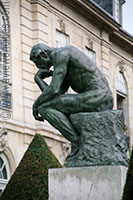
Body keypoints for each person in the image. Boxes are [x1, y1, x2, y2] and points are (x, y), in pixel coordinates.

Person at [30, 43, 113, 149]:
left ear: (43, 55)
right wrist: (39, 80)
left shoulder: (61, 54)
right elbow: (54, 94)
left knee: (43, 108)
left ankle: (78, 143)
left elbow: (53, 90)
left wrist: (35, 105)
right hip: (99, 97)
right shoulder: (62, 62)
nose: (38, 66)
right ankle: (78, 142)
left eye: (37, 62)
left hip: (98, 96)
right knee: (46, 106)